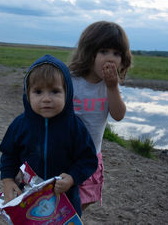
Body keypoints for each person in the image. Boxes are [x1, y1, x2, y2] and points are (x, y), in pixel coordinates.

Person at [0, 54, 98, 217]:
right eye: (38, 92)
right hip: (29, 196)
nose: (46, 99)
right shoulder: (20, 124)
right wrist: (7, 179)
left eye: (55, 91)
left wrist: (73, 178)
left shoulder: (75, 126)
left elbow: (88, 159)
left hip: (65, 198)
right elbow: (9, 154)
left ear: (67, 93)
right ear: (27, 94)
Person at [69, 21, 132, 210]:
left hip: (90, 158)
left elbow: (118, 115)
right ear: (88, 52)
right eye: (103, 51)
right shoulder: (70, 80)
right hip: (64, 155)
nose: (110, 58)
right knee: (55, 206)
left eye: (116, 53)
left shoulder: (109, 86)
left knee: (78, 208)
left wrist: (112, 86)